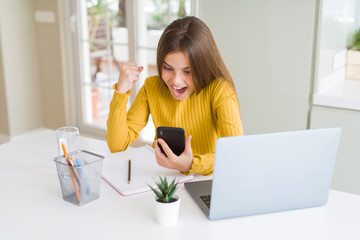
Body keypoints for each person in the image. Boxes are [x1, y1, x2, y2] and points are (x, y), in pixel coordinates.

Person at [106, 16, 243, 175]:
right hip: (164, 178)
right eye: (168, 68)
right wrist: (121, 92)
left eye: (188, 71)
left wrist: (191, 164)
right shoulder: (152, 87)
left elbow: (235, 155)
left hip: (205, 181)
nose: (176, 81)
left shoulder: (220, 91)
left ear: (203, 66)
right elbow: (116, 145)